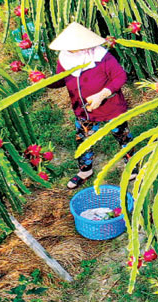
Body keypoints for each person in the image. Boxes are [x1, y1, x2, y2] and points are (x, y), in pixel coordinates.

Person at [47, 23, 132, 189]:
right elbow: (61, 80)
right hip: (83, 111)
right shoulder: (64, 59)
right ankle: (85, 170)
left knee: (123, 136)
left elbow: (120, 76)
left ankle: (132, 164)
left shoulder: (102, 57)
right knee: (84, 142)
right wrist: (44, 82)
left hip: (111, 108)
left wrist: (102, 95)